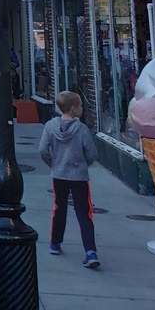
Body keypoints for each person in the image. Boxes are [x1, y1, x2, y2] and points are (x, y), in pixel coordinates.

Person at [38, 90, 100, 269]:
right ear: (73, 108)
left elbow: (43, 150)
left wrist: (54, 164)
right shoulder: (82, 129)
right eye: (80, 106)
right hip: (79, 176)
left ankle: (55, 243)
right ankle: (90, 251)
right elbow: (92, 153)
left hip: (59, 175)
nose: (82, 108)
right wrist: (83, 163)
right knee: (84, 213)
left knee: (59, 208)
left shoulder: (50, 126)